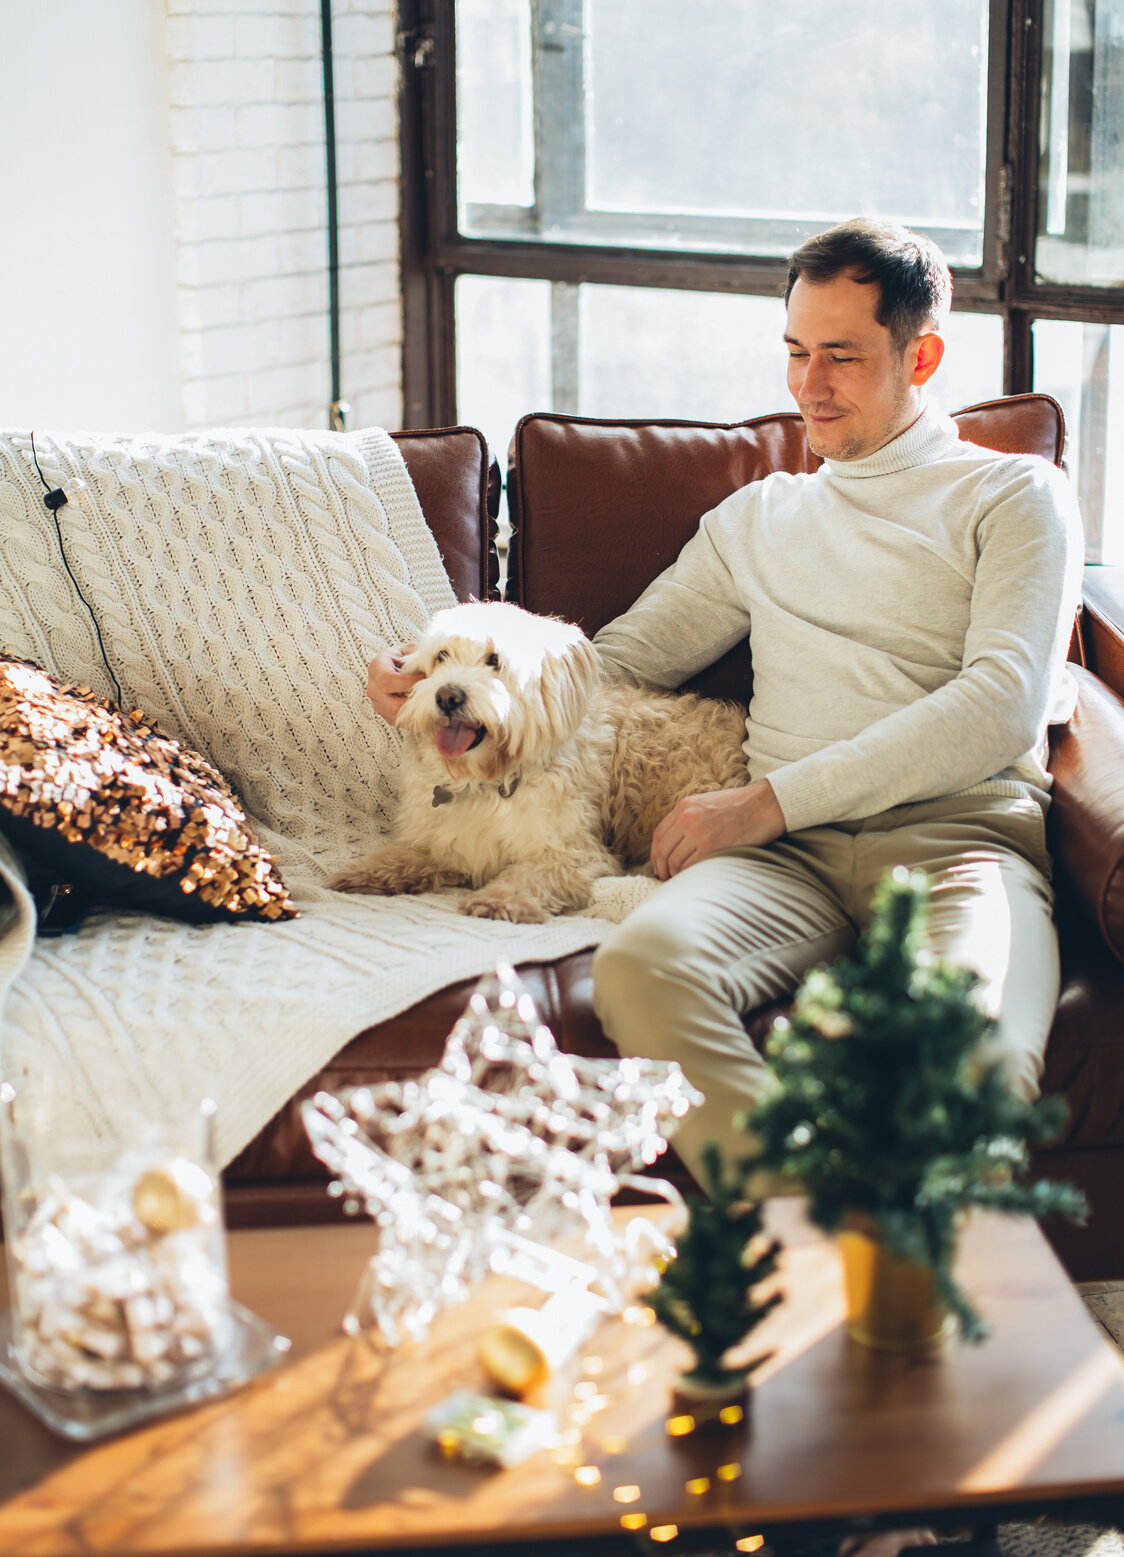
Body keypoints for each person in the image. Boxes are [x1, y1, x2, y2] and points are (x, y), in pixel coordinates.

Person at [367, 219, 1083, 1188]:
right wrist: (444, 689)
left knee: (973, 1066)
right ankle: (797, 1238)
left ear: (922, 355)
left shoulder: (1011, 494)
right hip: (782, 860)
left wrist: (764, 799)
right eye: (793, 351)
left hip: (951, 842)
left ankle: (889, 1271)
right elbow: (610, 665)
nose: (806, 385)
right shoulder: (759, 516)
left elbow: (999, 703)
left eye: (840, 355)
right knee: (636, 969)